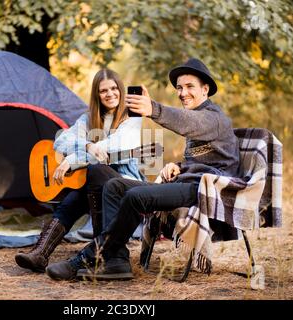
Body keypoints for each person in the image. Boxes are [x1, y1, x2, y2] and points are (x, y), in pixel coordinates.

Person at [45, 58, 240, 281]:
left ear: (205, 89)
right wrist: (178, 166)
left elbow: (189, 123)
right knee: (114, 185)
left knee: (136, 196)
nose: (182, 92)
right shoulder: (88, 119)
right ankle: (117, 262)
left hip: (205, 189)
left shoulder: (214, 118)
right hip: (188, 182)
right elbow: (210, 158)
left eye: (189, 86)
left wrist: (153, 109)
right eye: (179, 87)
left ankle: (87, 257)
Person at [14, 68, 144, 273]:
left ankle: (101, 254)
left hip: (124, 184)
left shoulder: (132, 118)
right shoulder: (89, 119)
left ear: (120, 89)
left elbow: (113, 146)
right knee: (73, 199)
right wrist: (86, 146)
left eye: (113, 88)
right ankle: (40, 254)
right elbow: (62, 140)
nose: (110, 94)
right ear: (97, 95)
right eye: (103, 91)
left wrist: (73, 161)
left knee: (97, 171)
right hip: (96, 184)